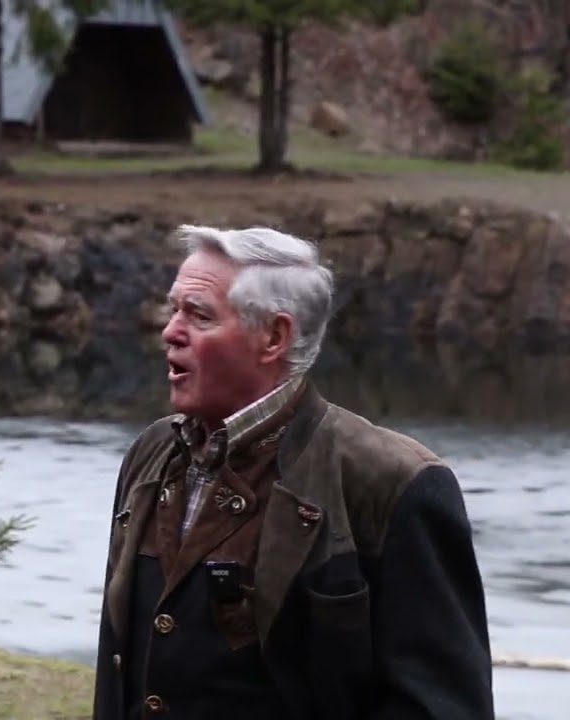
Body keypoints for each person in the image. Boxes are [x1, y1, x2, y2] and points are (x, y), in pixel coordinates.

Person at [92, 224, 494, 719]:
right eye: (174, 308)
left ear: (273, 337)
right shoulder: (152, 452)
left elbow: (443, 705)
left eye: (198, 315)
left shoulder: (392, 481)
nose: (171, 331)